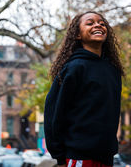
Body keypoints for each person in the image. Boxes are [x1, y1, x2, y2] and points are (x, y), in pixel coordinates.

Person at [44, 11, 124, 167]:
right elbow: (53, 112)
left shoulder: (113, 70)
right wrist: (60, 157)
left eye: (101, 23)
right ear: (78, 35)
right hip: (78, 156)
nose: (98, 25)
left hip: (106, 158)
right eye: (90, 23)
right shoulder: (74, 68)